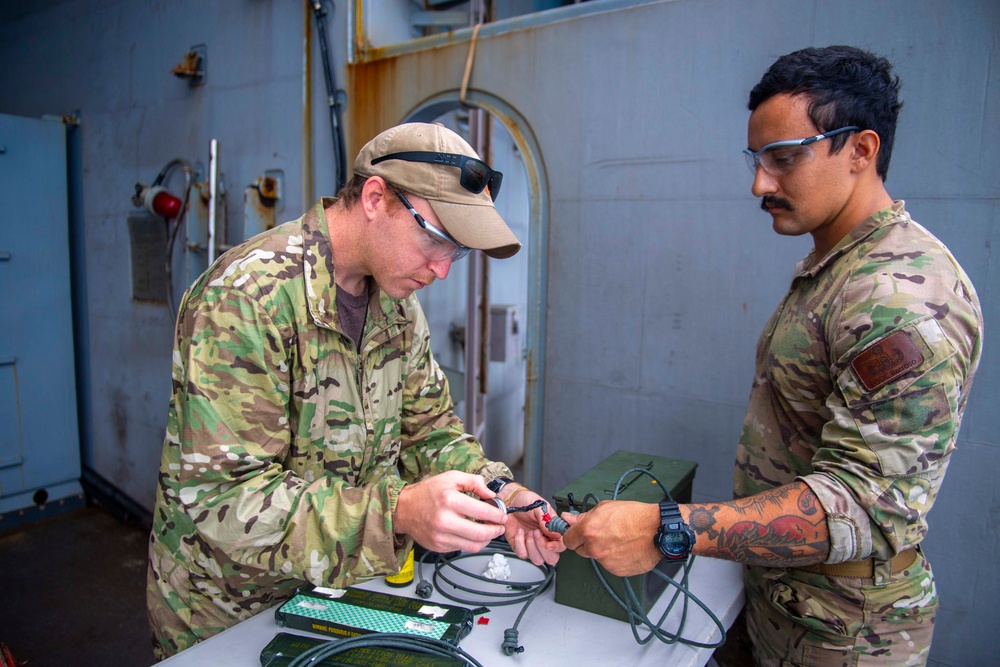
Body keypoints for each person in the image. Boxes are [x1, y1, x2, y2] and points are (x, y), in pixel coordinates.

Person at [560, 45, 983, 666]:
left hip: (844, 636)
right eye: (758, 160)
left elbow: (863, 505)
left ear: (861, 151)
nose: (761, 183)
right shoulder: (835, 269)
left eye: (784, 159)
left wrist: (667, 529)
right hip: (780, 604)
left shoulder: (897, 299)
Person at [146, 122, 563, 659]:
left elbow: (428, 432)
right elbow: (226, 498)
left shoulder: (397, 304)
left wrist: (502, 496)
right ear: (374, 197)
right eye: (436, 239)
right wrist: (398, 513)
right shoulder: (247, 299)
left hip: (333, 597)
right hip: (227, 615)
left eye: (455, 252)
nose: (441, 270)